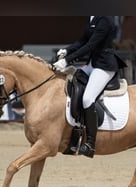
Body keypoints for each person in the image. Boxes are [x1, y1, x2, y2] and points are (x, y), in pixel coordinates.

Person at [53, 16, 126, 158]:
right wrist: (67, 51)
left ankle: (90, 144)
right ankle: (75, 133)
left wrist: (67, 61)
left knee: (87, 99)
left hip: (105, 65)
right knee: (71, 82)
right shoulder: (93, 18)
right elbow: (82, 41)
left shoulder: (105, 20)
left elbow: (90, 45)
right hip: (93, 64)